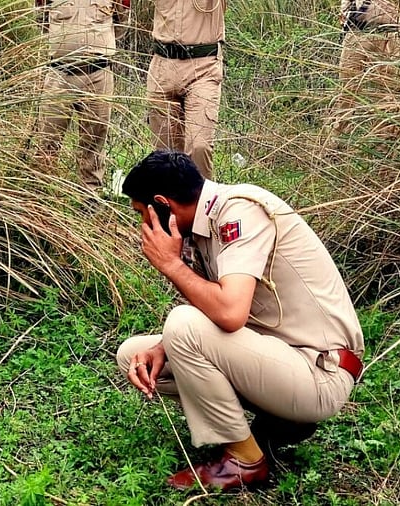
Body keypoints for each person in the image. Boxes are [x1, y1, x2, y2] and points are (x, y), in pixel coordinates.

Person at [116, 150, 364, 491]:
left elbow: (230, 314)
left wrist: (171, 265)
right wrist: (164, 345)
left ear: (163, 204)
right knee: (135, 355)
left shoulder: (240, 211)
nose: (143, 225)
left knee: (183, 323)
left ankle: (245, 461)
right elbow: (221, 310)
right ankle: (278, 422)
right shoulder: (204, 226)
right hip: (281, 358)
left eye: (143, 213)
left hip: (319, 374)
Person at [33, 0, 130, 190]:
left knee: (94, 141)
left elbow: (121, 23)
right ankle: (41, 197)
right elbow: (42, 20)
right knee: (48, 139)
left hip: (97, 74)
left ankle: (90, 195)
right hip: (59, 74)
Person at [143, 0, 225, 179]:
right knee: (165, 153)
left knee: (199, 146)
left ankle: (201, 203)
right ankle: (169, 205)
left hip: (203, 67)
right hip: (162, 66)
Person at [331, 0, 400, 135]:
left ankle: (384, 138)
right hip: (357, 31)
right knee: (347, 86)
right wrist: (346, 11)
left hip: (387, 31)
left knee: (386, 89)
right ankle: (339, 134)